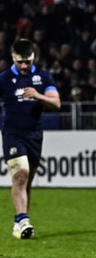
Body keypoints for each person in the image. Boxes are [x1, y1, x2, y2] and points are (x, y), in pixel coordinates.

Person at [0, 39, 61, 239]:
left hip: (34, 135)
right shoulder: (4, 79)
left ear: (33, 58)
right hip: (12, 133)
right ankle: (23, 219)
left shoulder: (43, 77)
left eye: (27, 61)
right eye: (20, 62)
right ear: (13, 58)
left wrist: (38, 96)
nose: (24, 66)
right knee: (21, 174)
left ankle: (19, 223)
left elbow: (56, 103)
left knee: (27, 180)